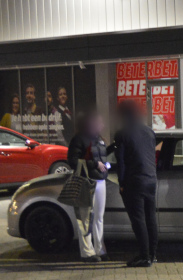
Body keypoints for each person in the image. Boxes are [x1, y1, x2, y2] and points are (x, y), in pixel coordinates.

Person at [114, 100, 159, 268]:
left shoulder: (122, 134)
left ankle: (144, 256)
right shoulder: (149, 132)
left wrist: (121, 183)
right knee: (150, 218)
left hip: (134, 182)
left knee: (138, 220)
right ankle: (153, 254)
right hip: (151, 180)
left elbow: (121, 162)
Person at [67, 111, 108, 263]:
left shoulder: (99, 139)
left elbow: (103, 156)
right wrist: (94, 164)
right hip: (85, 181)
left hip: (100, 181)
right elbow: (72, 160)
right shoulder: (78, 139)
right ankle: (87, 252)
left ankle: (99, 249)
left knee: (98, 217)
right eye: (99, 122)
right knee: (85, 218)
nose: (102, 125)